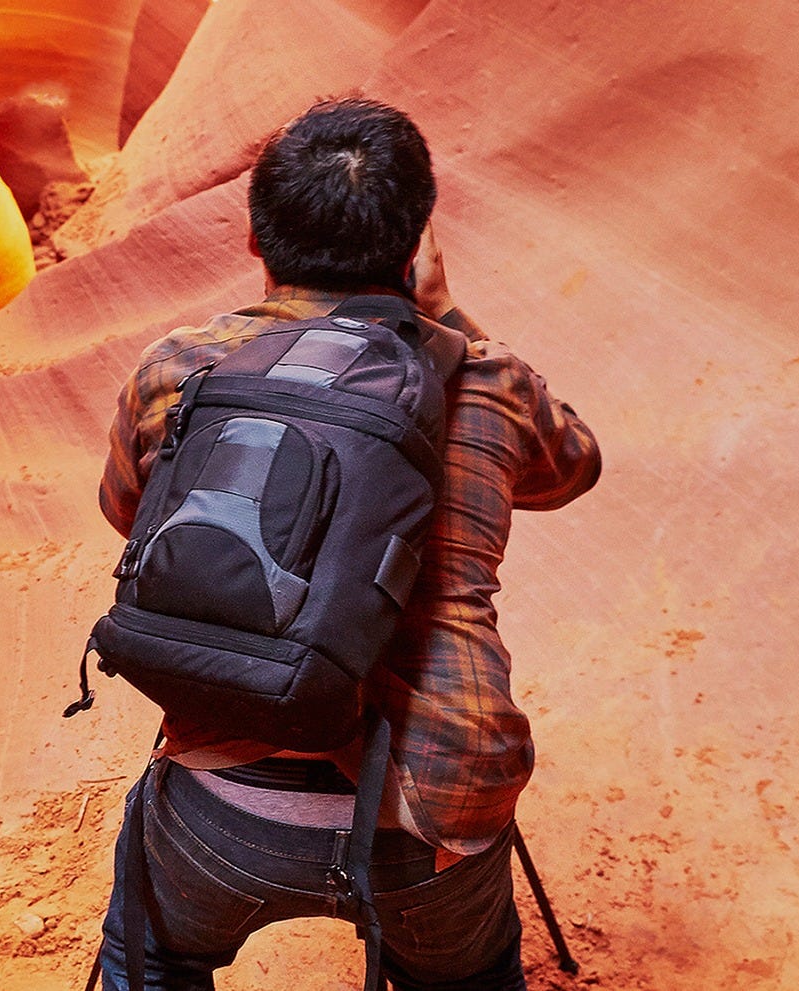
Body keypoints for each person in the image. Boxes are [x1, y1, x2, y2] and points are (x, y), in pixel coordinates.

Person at [90, 98, 601, 990]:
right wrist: (451, 318)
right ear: (416, 247)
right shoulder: (489, 379)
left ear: (255, 237)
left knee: (149, 953)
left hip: (224, 794)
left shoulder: (180, 370)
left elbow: (128, 514)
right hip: (435, 808)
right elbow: (572, 470)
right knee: (471, 972)